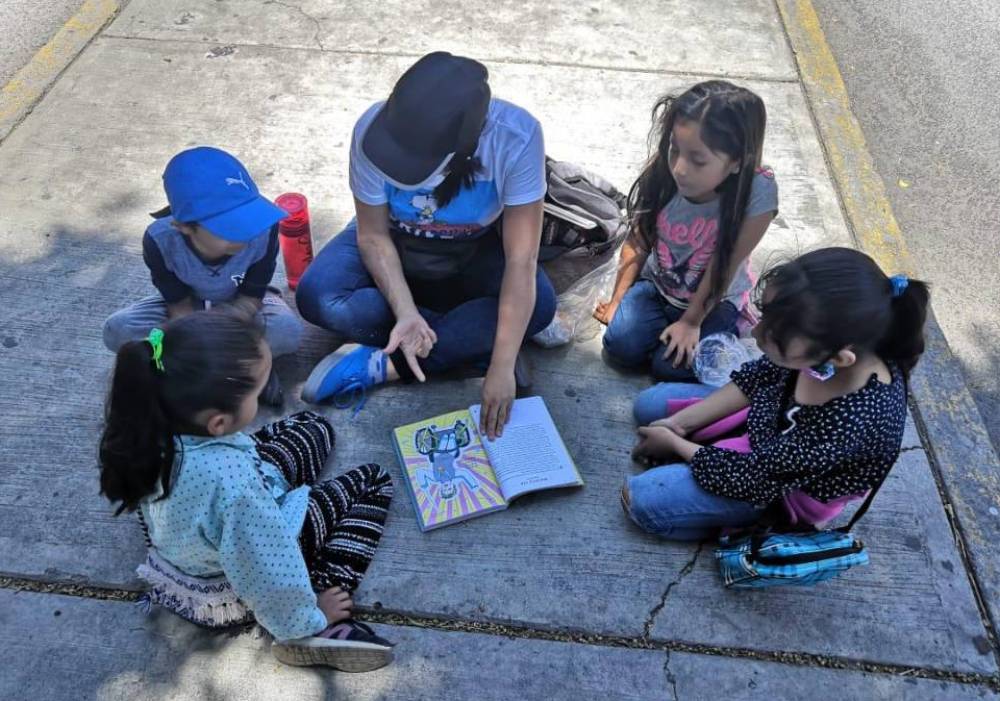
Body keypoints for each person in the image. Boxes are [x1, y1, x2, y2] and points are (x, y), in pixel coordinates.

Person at [97, 311, 395, 671]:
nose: (264, 396)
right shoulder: (235, 488)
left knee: (312, 425)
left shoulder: (151, 419)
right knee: (375, 479)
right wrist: (307, 616)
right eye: (257, 390)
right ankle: (321, 610)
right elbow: (266, 567)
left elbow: (231, 471)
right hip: (230, 586)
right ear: (219, 423)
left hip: (191, 537)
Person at [295, 52, 556, 439]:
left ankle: (385, 363)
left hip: (475, 248)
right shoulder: (371, 128)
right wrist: (404, 311)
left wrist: (501, 367)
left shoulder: (516, 137)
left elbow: (521, 258)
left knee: (542, 307)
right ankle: (465, 342)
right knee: (318, 296)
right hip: (394, 240)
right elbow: (372, 234)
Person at [625, 248, 929, 540]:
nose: (756, 334)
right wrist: (681, 424)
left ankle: (745, 526)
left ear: (837, 358)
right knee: (649, 405)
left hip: (782, 489)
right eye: (765, 315)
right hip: (769, 431)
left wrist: (676, 445)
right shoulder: (823, 348)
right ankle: (708, 461)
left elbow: (755, 478)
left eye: (777, 334)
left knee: (643, 502)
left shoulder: (854, 420)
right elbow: (757, 378)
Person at [595, 81, 778, 382]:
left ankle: (706, 330)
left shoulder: (757, 193)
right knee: (620, 347)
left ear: (736, 162)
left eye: (698, 160)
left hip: (714, 301)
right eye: (674, 150)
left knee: (667, 368)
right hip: (658, 288)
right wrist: (617, 300)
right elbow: (639, 237)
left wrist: (692, 322)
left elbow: (725, 263)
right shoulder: (665, 173)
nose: (680, 167)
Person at [102, 146, 301, 405]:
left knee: (286, 330)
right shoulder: (159, 241)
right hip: (186, 312)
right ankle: (244, 367)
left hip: (241, 308)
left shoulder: (264, 230)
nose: (246, 233)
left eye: (249, 218)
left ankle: (232, 369)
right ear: (185, 227)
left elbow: (251, 296)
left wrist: (223, 326)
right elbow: (178, 306)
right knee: (119, 330)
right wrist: (198, 339)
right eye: (229, 227)